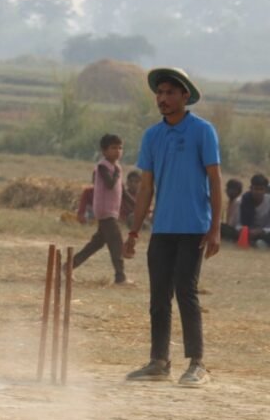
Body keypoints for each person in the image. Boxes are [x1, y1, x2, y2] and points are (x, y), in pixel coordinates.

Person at [124, 67, 221, 386]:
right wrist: (135, 231)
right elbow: (146, 188)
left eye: (169, 93)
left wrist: (215, 228)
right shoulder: (153, 135)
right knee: (158, 297)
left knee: (186, 292)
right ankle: (158, 362)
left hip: (194, 226)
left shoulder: (202, 131)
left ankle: (197, 363)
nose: (163, 99)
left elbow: (215, 180)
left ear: (184, 96)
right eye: (160, 93)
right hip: (163, 228)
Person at [72, 134, 130, 285]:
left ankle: (68, 267)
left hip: (112, 211)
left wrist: (139, 205)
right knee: (116, 241)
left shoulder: (117, 167)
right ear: (104, 151)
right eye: (113, 148)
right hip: (105, 211)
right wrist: (117, 173)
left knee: (96, 243)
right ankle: (120, 277)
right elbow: (110, 184)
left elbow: (122, 191)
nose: (117, 151)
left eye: (120, 148)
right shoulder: (103, 166)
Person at [236, 173, 269, 248]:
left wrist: (260, 231)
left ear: (266, 190)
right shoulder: (243, 201)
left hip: (264, 233)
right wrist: (245, 230)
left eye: (261, 189)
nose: (258, 192)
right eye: (256, 189)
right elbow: (238, 224)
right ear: (251, 188)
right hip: (247, 232)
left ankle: (261, 243)